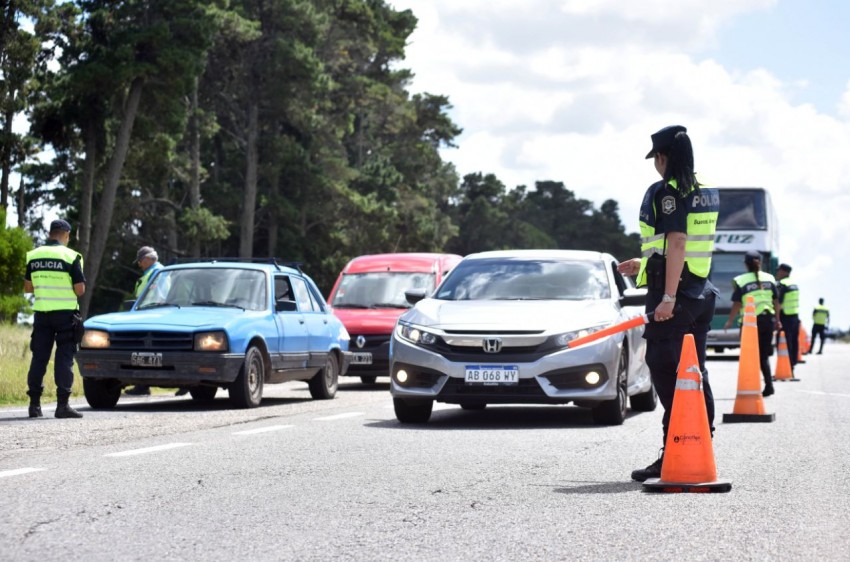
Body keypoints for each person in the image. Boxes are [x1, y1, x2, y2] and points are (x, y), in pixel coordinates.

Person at [617, 125, 720, 482]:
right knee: (692, 369)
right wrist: (643, 263)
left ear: (664, 158)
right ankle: (699, 436)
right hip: (701, 291)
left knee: (665, 366)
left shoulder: (670, 191)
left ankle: (679, 445)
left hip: (676, 294)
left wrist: (667, 298)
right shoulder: (706, 188)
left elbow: (677, 243)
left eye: (656, 159)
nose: (655, 167)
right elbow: (684, 246)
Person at [23, 219, 86, 419]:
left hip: (42, 314)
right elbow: (80, 290)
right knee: (64, 358)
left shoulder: (33, 255)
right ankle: (62, 406)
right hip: (66, 315)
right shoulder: (71, 256)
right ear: (66, 235)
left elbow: (28, 288)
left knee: (39, 358)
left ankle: (34, 406)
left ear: (51, 233)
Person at [723, 250, 781, 396]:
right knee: (763, 356)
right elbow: (776, 302)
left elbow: (737, 304)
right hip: (768, 320)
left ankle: (751, 386)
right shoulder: (770, 278)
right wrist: (778, 321)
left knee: (749, 355)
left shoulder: (741, 280)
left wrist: (729, 321)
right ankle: (768, 385)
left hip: (750, 325)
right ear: (760, 262)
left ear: (745, 264)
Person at [124, 246, 165, 397]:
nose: (139, 264)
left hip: (150, 316)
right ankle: (142, 384)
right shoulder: (154, 272)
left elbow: (158, 296)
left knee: (143, 350)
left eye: (140, 261)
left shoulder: (156, 273)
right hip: (146, 315)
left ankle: (142, 385)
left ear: (148, 259)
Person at [775, 263, 800, 372]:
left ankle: (785, 366)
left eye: (779, 271)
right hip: (795, 316)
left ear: (784, 272)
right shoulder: (794, 284)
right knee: (794, 342)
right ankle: (792, 364)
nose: (777, 273)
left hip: (784, 317)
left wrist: (776, 319)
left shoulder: (782, 285)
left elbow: (778, 303)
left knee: (783, 342)